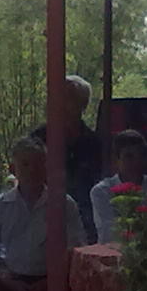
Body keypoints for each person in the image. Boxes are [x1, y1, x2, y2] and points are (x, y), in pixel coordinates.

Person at [0, 135, 85, 291]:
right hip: (11, 277)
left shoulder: (64, 204)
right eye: (25, 164)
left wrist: (50, 281)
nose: (32, 170)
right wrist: (6, 278)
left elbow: (75, 247)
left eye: (39, 164)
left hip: (53, 278)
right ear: (13, 169)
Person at [31, 74, 103, 242]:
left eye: (68, 97)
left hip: (85, 221)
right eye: (57, 96)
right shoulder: (38, 139)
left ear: (82, 105)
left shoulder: (94, 143)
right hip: (43, 218)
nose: (60, 103)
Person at [90, 129, 147, 243]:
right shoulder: (102, 192)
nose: (137, 162)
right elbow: (109, 234)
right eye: (129, 156)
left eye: (142, 155)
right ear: (116, 160)